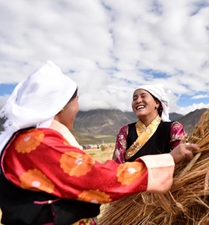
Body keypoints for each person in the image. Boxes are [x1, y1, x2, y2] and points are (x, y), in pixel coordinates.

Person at [0, 61, 198, 225]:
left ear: (158, 103)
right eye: (76, 100)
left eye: (143, 96)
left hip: (163, 202)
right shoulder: (38, 143)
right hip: (129, 196)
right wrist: (167, 160)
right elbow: (99, 177)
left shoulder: (31, 140)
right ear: (61, 105)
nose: (78, 107)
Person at [112, 84, 187, 164]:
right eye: (135, 98)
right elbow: (117, 166)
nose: (138, 101)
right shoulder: (125, 131)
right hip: (129, 176)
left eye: (143, 96)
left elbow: (181, 159)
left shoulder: (174, 128)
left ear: (157, 103)